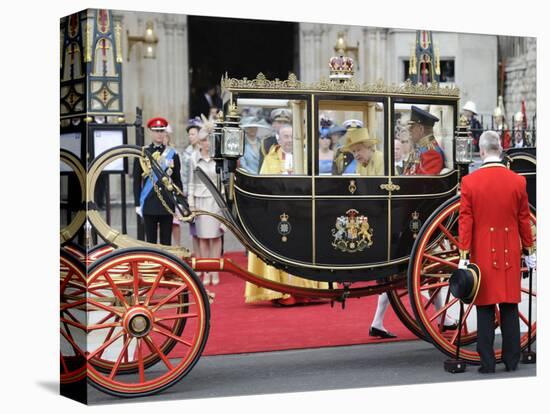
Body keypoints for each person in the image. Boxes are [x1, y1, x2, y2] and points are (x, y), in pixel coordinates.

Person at [458, 130, 535, 373]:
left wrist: (463, 255)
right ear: (500, 150)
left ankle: (487, 363)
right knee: (510, 305)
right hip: (510, 250)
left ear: (481, 152)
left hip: (482, 251)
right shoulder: (518, 181)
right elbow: (524, 219)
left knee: (485, 307)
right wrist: (529, 250)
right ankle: (512, 361)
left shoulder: (470, 182)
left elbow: (465, 222)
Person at [245, 124, 329, 305]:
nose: (289, 140)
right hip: (279, 212)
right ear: (278, 138)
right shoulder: (271, 158)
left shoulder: (306, 156)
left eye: (292, 136)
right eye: (285, 136)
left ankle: (307, 290)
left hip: (302, 211)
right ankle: (282, 292)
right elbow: (264, 186)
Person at [133, 117, 183, 245]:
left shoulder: (173, 154)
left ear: (165, 132)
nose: (159, 134)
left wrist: (180, 201)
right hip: (149, 203)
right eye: (156, 131)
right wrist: (137, 203)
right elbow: (136, 181)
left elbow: (177, 179)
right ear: (151, 132)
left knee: (166, 242)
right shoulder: (143, 153)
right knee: (150, 242)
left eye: (162, 131)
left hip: (167, 203)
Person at [188, 128, 224, 285]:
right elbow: (190, 181)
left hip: (215, 200)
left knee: (216, 237)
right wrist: (191, 204)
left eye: (208, 140)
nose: (206, 143)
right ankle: (206, 271)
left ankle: (216, 270)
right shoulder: (193, 158)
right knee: (202, 238)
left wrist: (224, 204)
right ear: (199, 142)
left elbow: (222, 182)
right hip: (200, 200)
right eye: (203, 140)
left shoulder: (218, 158)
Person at [403, 106, 445, 175]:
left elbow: (424, 182)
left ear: (421, 129)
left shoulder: (431, 153)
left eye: (412, 127)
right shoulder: (422, 148)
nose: (409, 131)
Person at [181, 118, 202, 256]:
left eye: (193, 134)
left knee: (206, 229)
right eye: (189, 134)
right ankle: (197, 255)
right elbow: (183, 173)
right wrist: (184, 191)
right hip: (190, 192)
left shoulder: (205, 150)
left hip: (204, 192)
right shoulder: (187, 153)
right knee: (194, 228)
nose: (191, 137)